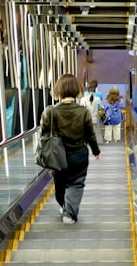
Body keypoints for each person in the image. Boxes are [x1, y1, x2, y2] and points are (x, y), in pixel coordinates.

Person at [40, 74, 101, 224]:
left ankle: (64, 206)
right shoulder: (83, 112)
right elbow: (90, 135)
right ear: (77, 90)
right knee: (76, 183)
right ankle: (69, 213)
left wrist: (46, 160)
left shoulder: (50, 112)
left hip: (57, 155)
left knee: (59, 183)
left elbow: (43, 136)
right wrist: (96, 151)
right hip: (78, 154)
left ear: (58, 90)